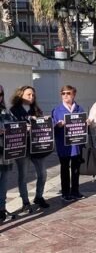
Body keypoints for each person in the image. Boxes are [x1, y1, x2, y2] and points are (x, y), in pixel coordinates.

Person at [10, 85, 50, 211]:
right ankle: (25, 202)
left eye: (33, 95)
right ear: (21, 95)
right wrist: (24, 127)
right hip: (22, 147)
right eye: (28, 94)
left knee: (43, 174)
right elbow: (11, 128)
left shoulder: (36, 109)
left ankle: (39, 196)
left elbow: (42, 125)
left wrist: (46, 120)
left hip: (37, 146)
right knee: (24, 176)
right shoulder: (14, 110)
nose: (31, 97)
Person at [51, 85, 86, 201]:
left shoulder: (80, 109)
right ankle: (65, 193)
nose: (65, 95)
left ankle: (75, 191)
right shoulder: (56, 110)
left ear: (74, 94)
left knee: (76, 169)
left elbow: (83, 126)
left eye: (68, 93)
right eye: (63, 93)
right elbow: (51, 128)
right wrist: (57, 125)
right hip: (64, 145)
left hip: (76, 145)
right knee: (65, 169)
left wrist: (87, 123)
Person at [0, 85, 15, 221]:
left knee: (4, 183)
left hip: (5, 153)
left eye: (0, 94)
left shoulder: (6, 111)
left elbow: (14, 125)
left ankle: (2, 209)